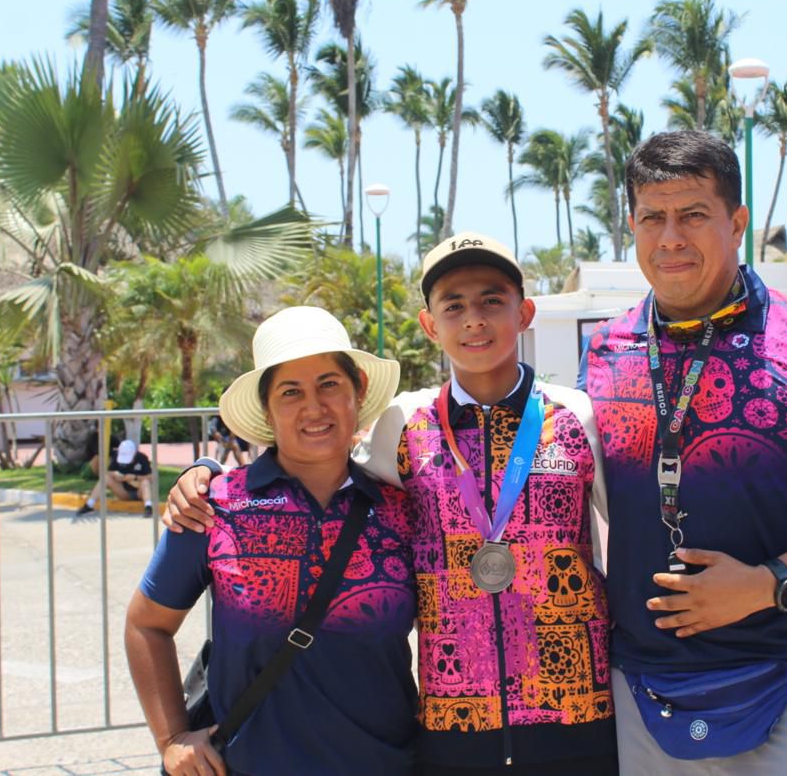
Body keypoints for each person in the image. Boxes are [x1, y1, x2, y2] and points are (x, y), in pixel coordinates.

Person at [165, 235, 617, 774]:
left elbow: (635, 535)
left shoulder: (577, 416)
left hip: (577, 714)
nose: (474, 319)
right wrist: (207, 475)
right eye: (453, 305)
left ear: (524, 313)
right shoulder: (404, 423)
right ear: (430, 325)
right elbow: (321, 459)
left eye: (492, 300)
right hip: (454, 729)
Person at [581, 130, 787, 773]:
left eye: (693, 215)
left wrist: (765, 584)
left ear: (736, 223)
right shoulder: (605, 351)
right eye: (651, 217)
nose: (670, 237)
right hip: (641, 686)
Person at [124, 307, 417, 775]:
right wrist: (172, 738)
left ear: (358, 389)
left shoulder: (403, 510)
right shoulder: (213, 505)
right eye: (290, 392)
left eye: (329, 384)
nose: (314, 407)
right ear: (266, 408)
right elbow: (146, 625)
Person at [77, 439, 153, 518]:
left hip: (139, 492)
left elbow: (151, 477)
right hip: (124, 492)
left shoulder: (142, 458)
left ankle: (148, 507)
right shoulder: (116, 456)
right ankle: (89, 505)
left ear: (134, 453)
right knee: (105, 478)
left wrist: (135, 477)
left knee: (145, 482)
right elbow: (108, 472)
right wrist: (115, 474)